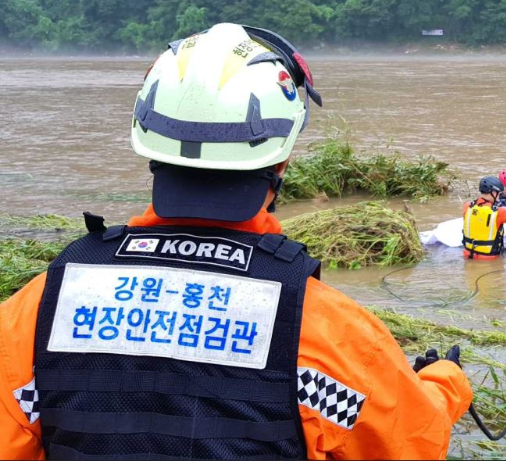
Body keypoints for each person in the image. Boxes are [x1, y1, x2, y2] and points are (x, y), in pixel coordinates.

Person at [0, 23, 472, 460]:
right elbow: (414, 440)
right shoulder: (322, 329)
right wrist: (445, 381)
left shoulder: (40, 309)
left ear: (148, 147)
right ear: (281, 161)